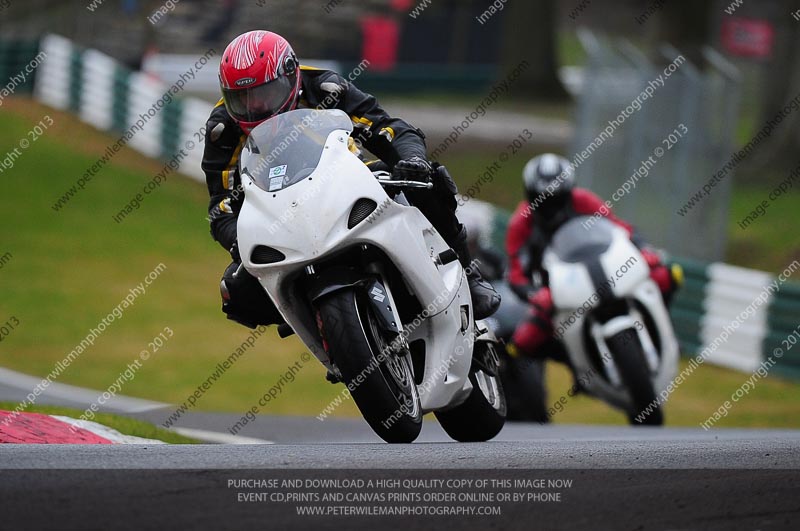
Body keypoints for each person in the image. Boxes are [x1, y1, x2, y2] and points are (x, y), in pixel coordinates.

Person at [203, 30, 500, 329]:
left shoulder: (324, 87)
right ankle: (311, 318)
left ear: (290, 76)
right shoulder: (222, 129)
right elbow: (221, 207)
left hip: (346, 178)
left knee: (429, 180)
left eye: (263, 94)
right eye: (242, 99)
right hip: (281, 212)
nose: (255, 108)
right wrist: (240, 241)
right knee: (236, 290)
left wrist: (413, 160)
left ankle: (467, 271)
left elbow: (389, 127)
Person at [505, 154, 682, 358]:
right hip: (557, 290)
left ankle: (665, 335)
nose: (551, 208)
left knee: (667, 275)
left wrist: (643, 250)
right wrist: (534, 294)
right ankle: (576, 365)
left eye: (557, 199)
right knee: (521, 343)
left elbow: (619, 227)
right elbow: (516, 274)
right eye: (543, 201)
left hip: (605, 268)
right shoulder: (520, 223)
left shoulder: (583, 200)